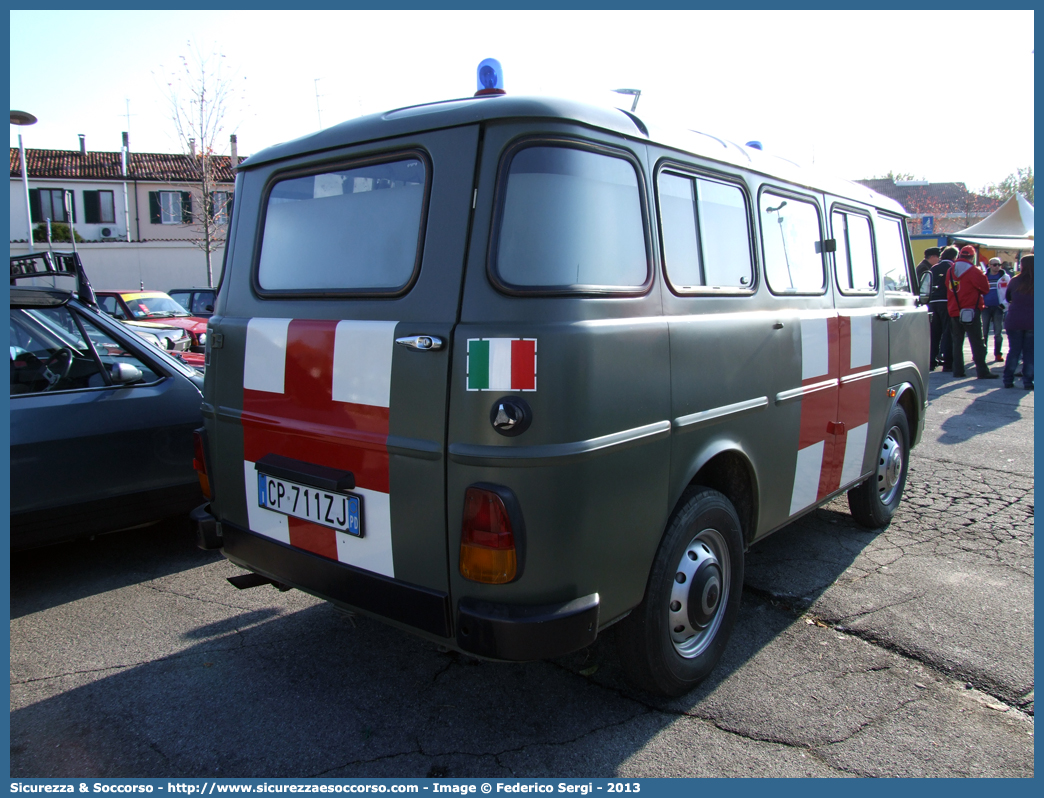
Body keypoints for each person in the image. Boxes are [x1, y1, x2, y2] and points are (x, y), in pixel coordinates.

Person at [947, 245, 997, 379]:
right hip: (971, 310)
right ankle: (982, 371)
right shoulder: (975, 271)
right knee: (977, 342)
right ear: (972, 256)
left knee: (957, 342)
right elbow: (985, 289)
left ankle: (957, 371)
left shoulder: (950, 270)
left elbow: (949, 287)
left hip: (954, 310)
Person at [1003, 254, 1033, 390]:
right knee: (1030, 353)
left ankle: (1008, 379)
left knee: (1014, 351)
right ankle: (1028, 381)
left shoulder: (1015, 281)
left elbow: (1007, 297)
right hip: (1033, 321)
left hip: (1014, 319)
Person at [927, 245, 958, 371]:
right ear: (954, 257)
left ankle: (931, 360)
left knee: (934, 333)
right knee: (948, 332)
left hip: (933, 302)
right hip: (947, 302)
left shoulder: (934, 268)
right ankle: (947, 362)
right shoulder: (953, 268)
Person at [981, 257, 1010, 362]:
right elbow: (979, 291)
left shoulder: (1005, 277)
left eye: (999, 264)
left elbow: (1009, 293)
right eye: (994, 265)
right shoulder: (984, 276)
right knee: (984, 332)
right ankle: (981, 354)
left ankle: (998, 354)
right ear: (989, 265)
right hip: (986, 307)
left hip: (998, 308)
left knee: (998, 332)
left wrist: (1004, 305)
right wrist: (982, 303)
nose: (997, 266)